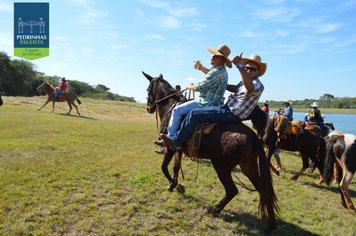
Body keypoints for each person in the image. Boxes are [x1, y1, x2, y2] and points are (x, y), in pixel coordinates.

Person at [161, 54, 267, 148]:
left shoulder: (257, 84)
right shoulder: (246, 80)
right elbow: (236, 88)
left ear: (258, 72)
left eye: (253, 69)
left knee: (194, 114)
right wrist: (223, 84)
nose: (249, 71)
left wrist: (240, 66)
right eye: (247, 68)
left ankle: (177, 141)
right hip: (227, 108)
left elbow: (250, 88)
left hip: (231, 113)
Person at [154, 44, 232, 148]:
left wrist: (190, 86)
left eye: (216, 56)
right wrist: (201, 68)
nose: (212, 57)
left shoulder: (215, 72)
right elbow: (211, 75)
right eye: (212, 55)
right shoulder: (222, 71)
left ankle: (171, 139)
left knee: (177, 110)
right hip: (215, 103)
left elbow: (200, 87)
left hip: (204, 103)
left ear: (223, 60)